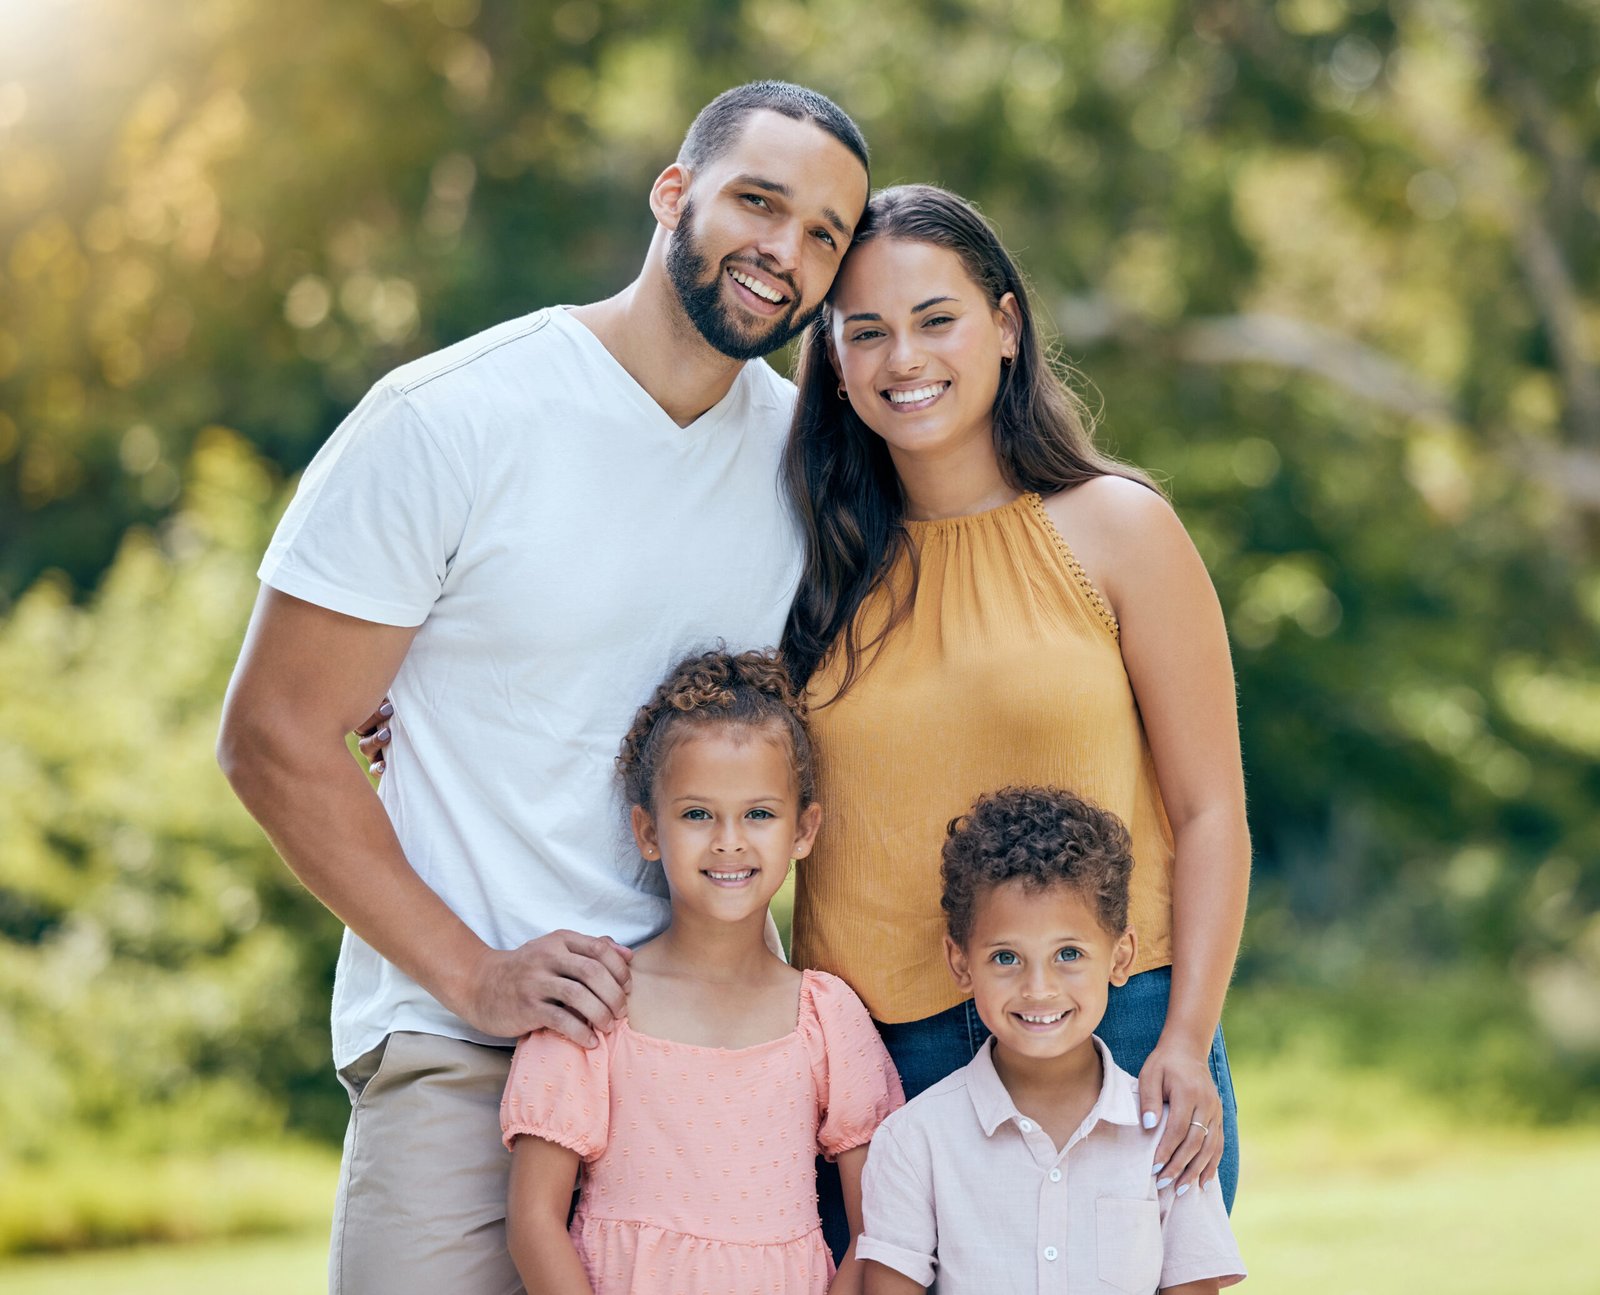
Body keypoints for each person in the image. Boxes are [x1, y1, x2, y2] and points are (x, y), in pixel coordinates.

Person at [216, 82, 871, 1294]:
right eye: (759, 203)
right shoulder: (450, 419)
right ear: (674, 193)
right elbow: (272, 736)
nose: (784, 253)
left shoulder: (812, 469)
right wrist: (475, 973)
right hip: (466, 1049)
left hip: (708, 1066)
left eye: (824, 234)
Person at [782, 184, 1250, 1222]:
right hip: (873, 1062)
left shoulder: (1119, 529)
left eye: (935, 319)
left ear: (1004, 324)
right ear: (833, 362)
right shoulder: (808, 560)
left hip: (1112, 1023)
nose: (903, 358)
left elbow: (1212, 810)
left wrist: (1183, 1034)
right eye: (865, 333)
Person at [502, 648, 902, 1295]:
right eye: (696, 813)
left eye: (759, 814)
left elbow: (878, 1228)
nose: (728, 839)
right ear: (648, 830)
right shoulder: (600, 1003)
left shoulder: (826, 1017)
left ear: (804, 829)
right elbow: (532, 1219)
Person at [857, 787, 1245, 1294]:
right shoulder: (914, 1142)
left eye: (1068, 954)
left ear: (1121, 955)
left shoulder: (1169, 1138)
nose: (1038, 988)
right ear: (960, 963)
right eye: (1005, 958)